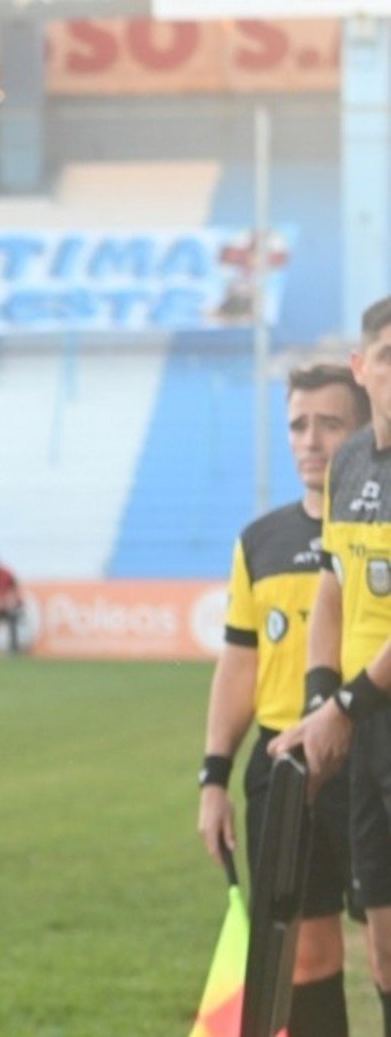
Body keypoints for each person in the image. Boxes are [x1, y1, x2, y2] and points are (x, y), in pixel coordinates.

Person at [198, 363, 369, 1037]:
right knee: (302, 955)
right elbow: (239, 662)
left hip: (365, 755)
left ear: (362, 430)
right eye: (298, 424)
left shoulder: (371, 530)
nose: (310, 440)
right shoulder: (259, 541)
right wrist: (212, 776)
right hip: (283, 765)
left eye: (330, 423)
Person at [274, 298, 391, 1037]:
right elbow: (332, 585)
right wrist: (321, 698)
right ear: (361, 368)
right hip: (365, 721)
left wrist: (339, 708)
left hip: (365, 707)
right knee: (381, 952)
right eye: (387, 357)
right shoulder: (350, 461)